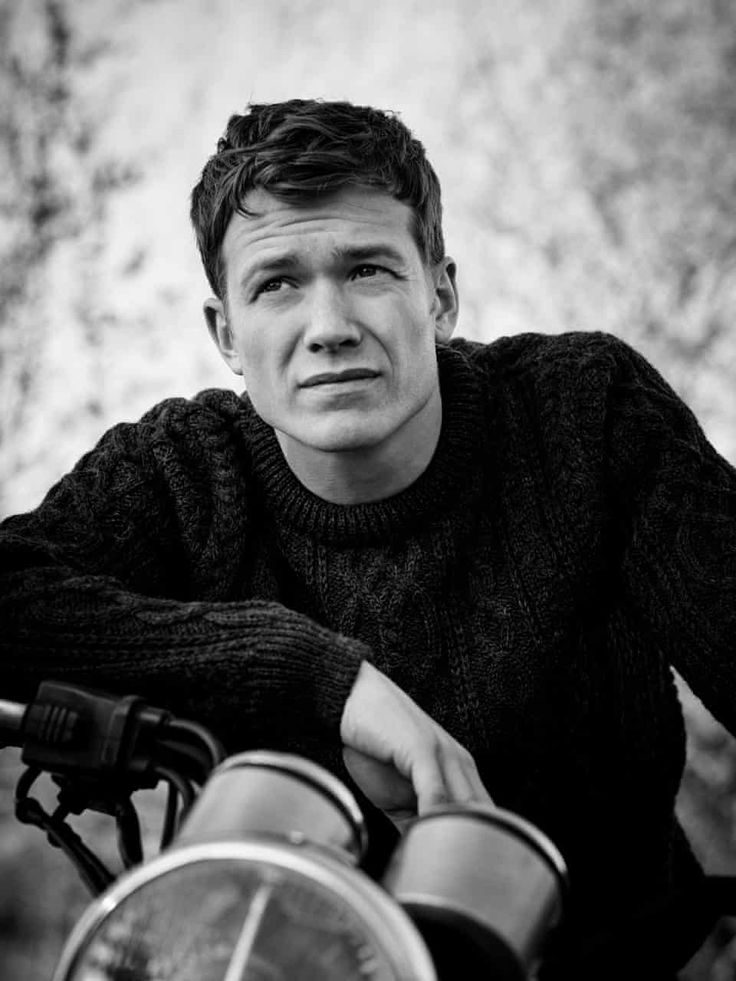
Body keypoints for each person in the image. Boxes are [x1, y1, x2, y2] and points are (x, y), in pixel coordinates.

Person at [0, 98, 734, 978]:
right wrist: (322, 677)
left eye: (369, 270)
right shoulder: (185, 471)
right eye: (277, 282)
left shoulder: (584, 412)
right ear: (226, 333)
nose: (330, 325)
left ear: (442, 295)